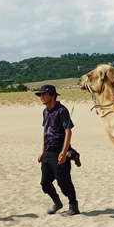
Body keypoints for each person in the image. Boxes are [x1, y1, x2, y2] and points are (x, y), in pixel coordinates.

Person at [36, 84, 80, 216]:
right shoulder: (45, 111)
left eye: (44, 94)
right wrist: (42, 150)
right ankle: (57, 203)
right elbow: (45, 131)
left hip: (59, 151)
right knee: (45, 183)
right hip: (48, 151)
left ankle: (74, 207)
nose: (42, 97)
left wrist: (64, 152)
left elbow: (68, 132)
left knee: (64, 182)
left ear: (52, 96)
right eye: (41, 95)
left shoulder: (62, 110)